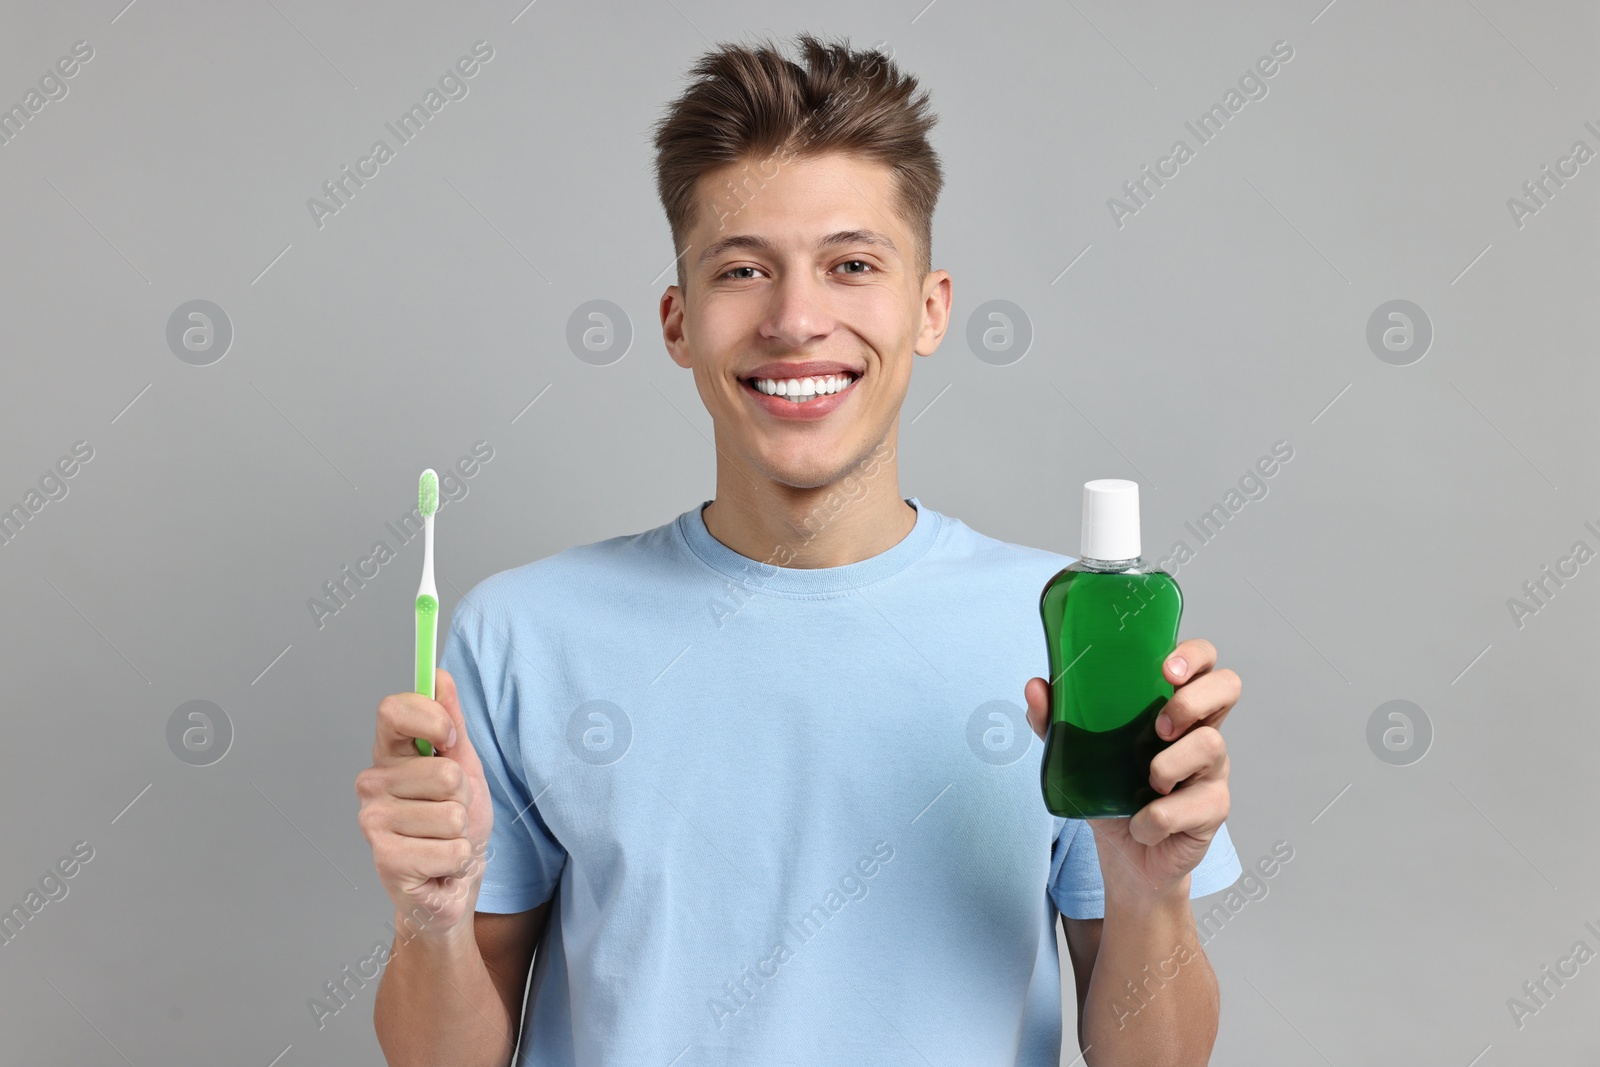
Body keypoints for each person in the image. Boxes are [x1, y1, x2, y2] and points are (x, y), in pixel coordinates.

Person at [355, 32, 1244, 1067]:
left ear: (929, 308)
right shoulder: (523, 634)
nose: (795, 319)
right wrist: (431, 919)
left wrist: (1150, 894)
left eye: (852, 265)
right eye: (743, 269)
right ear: (679, 320)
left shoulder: (1064, 633)